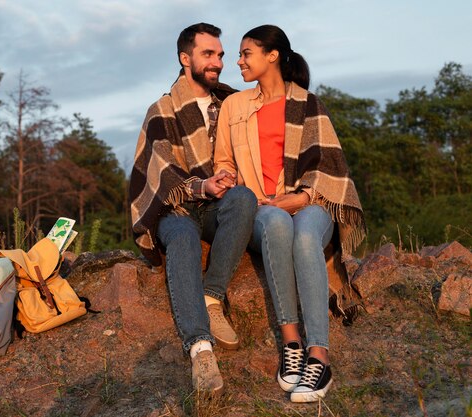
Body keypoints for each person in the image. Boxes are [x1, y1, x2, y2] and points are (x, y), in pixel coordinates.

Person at [214, 24, 366, 403]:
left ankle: (319, 356)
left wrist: (302, 196)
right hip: (262, 207)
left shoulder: (308, 103)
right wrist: (229, 181)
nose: (238, 60)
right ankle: (292, 343)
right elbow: (223, 162)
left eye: (246, 52)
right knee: (279, 223)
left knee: (306, 233)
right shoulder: (234, 106)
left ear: (272, 55)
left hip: (311, 201)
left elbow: (330, 165)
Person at [129, 23, 257, 395]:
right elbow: (162, 172)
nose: (217, 61)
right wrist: (202, 185)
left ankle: (211, 295)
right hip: (178, 211)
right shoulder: (162, 110)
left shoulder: (232, 103)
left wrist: (227, 180)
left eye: (219, 54)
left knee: (244, 199)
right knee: (182, 236)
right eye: (208, 54)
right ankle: (200, 348)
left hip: (218, 207)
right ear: (186, 59)